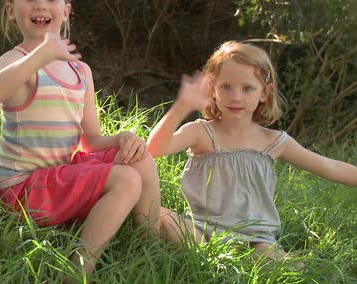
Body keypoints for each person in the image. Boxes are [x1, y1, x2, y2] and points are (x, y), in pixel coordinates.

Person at [0, 0, 161, 275]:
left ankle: (146, 245)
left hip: (59, 177)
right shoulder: (16, 61)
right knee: (126, 179)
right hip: (20, 189)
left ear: (65, 12)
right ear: (11, 10)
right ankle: (78, 270)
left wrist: (121, 139)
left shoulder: (80, 71)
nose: (41, 5)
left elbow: (90, 141)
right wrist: (41, 54)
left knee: (139, 158)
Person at [147, 40, 357, 260]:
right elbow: (154, 148)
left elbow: (328, 166)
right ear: (213, 89)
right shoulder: (201, 133)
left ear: (265, 93)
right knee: (162, 217)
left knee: (272, 260)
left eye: (247, 88)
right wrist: (182, 105)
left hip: (256, 238)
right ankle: (216, 258)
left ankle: (235, 260)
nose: (236, 97)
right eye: (226, 86)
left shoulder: (274, 141)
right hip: (202, 230)